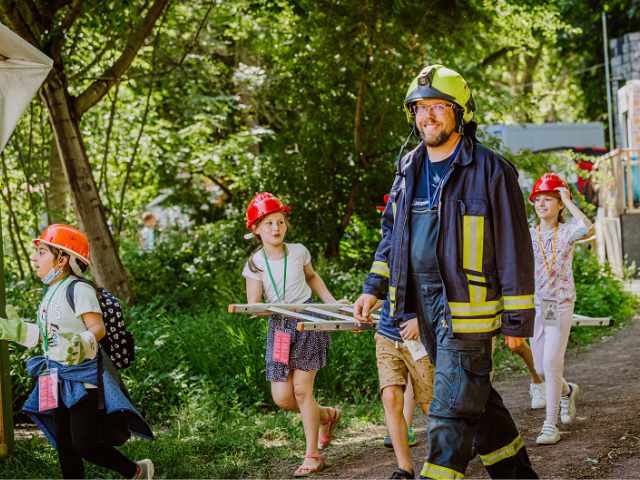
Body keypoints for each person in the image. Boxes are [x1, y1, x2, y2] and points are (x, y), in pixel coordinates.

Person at [354, 64, 537, 479]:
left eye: (438, 106)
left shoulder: (491, 170)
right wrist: (374, 287)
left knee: (449, 409)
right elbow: (392, 237)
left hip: (466, 312)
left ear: (460, 113)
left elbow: (515, 249)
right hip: (421, 312)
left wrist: (517, 320)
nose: (427, 116)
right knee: (480, 403)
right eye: (420, 108)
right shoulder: (408, 169)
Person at [0, 224, 154, 479]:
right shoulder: (50, 292)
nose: (34, 257)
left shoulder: (79, 289)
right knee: (64, 443)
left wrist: (81, 342)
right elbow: (44, 334)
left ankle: (137, 470)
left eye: (41, 252)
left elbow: (97, 328)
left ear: (62, 259)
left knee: (83, 443)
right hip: (52, 376)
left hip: (81, 379)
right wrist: (12, 330)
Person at [242, 192, 341, 477]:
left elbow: (311, 277)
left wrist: (331, 302)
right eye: (269, 223)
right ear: (256, 229)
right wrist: (259, 309)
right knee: (284, 398)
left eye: (280, 222)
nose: (276, 228)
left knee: (302, 390)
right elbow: (255, 303)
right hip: (280, 327)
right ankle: (326, 416)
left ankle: (312, 455)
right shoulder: (255, 263)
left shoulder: (298, 251)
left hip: (308, 320)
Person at [528, 173, 592, 445]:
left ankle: (550, 425)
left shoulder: (566, 232)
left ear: (560, 204)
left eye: (549, 199)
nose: (542, 204)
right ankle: (567, 391)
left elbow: (588, 229)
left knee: (552, 363)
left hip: (560, 303)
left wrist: (568, 197)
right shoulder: (528, 234)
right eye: (538, 200)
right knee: (541, 369)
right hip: (537, 305)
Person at [376, 298, 433, 479]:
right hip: (387, 332)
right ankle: (405, 469)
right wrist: (366, 303)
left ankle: (445, 460)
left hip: (421, 336)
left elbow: (444, 287)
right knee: (390, 396)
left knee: (430, 405)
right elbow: (385, 282)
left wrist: (421, 321)